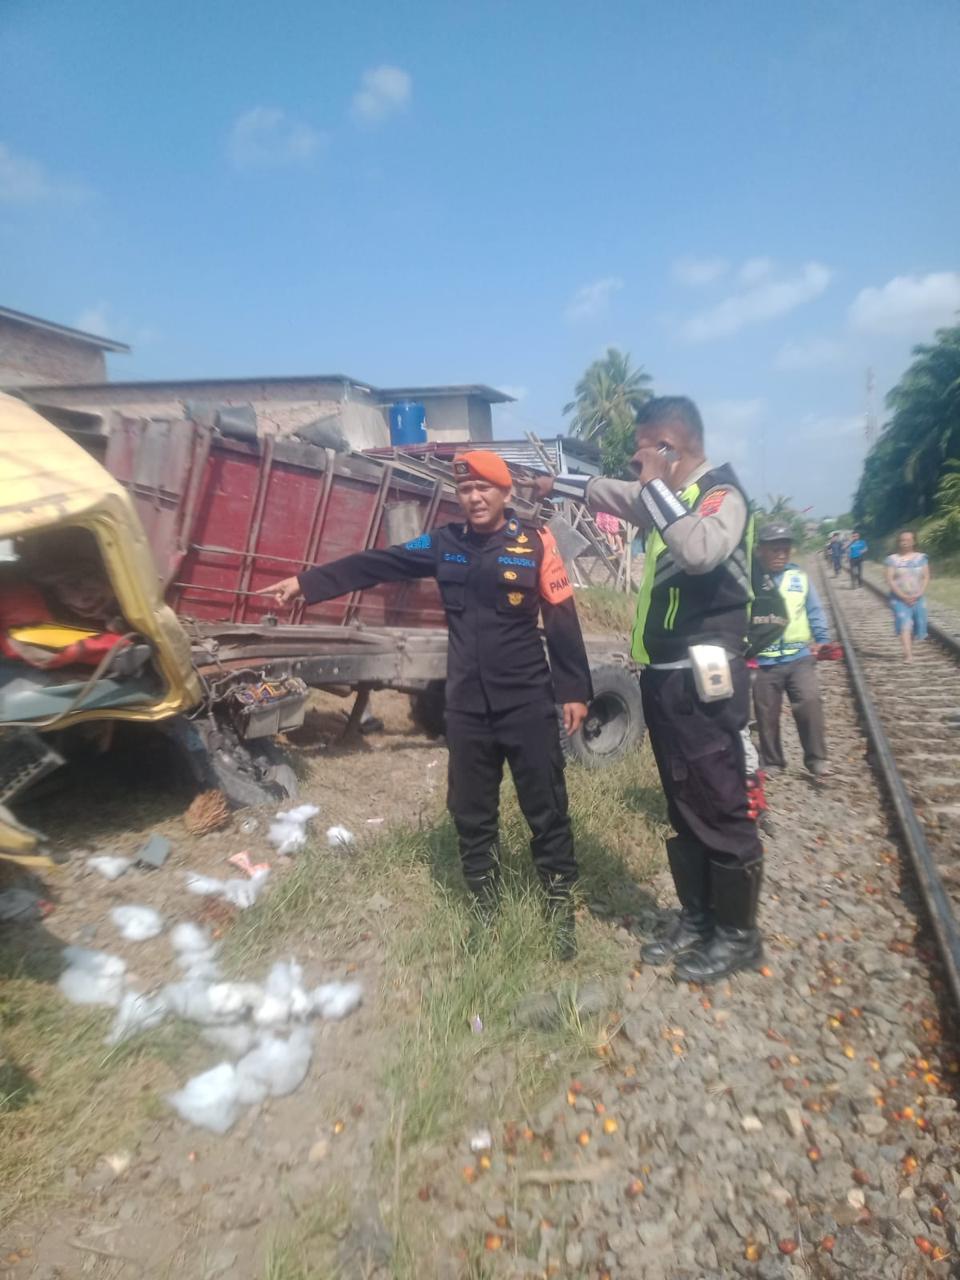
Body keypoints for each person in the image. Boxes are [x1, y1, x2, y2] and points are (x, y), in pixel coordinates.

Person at [260, 450, 592, 957]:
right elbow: (379, 562)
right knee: (471, 812)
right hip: (466, 706)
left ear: (505, 493)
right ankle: (485, 910)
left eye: (484, 488)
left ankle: (559, 910)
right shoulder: (444, 544)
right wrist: (308, 583)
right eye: (466, 490)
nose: (475, 497)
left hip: (526, 701)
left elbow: (563, 617)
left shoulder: (535, 544)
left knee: (546, 807)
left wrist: (574, 691)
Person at [535, 396, 764, 983]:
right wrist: (553, 482)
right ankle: (699, 917)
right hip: (664, 678)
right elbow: (613, 493)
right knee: (683, 804)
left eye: (644, 449)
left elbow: (698, 550)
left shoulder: (720, 496)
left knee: (720, 801)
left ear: (668, 447)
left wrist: (657, 485)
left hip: (704, 679)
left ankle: (738, 936)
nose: (635, 461)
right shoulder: (670, 498)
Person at [752, 522, 831, 778]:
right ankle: (772, 762)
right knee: (766, 714)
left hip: (799, 657)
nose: (781, 555)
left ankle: (817, 759)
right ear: (760, 550)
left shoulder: (799, 578)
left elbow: (814, 611)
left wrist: (822, 639)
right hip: (764, 660)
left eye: (785, 550)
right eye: (775, 550)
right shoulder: (750, 581)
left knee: (810, 702)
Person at [885, 530, 930, 662]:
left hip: (918, 597)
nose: (905, 543)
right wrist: (903, 596)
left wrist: (919, 593)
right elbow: (889, 579)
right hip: (898, 598)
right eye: (902, 540)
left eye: (908, 540)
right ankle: (908, 654)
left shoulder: (921, 558)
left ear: (914, 541)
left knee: (916, 624)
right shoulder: (892, 559)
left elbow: (926, 577)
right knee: (905, 624)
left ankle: (910, 647)